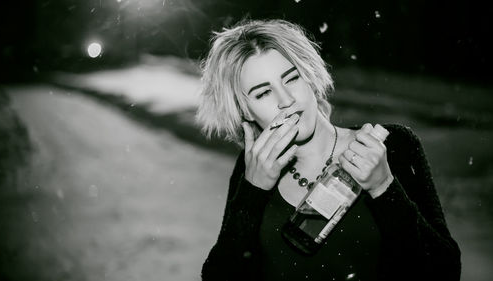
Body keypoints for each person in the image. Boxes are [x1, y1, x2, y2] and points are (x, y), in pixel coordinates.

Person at [196, 19, 461, 281]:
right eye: (263, 93)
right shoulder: (252, 167)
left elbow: (445, 271)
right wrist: (252, 193)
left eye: (291, 78)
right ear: (245, 111)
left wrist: (384, 187)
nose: (287, 101)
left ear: (309, 76)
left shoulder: (391, 147)